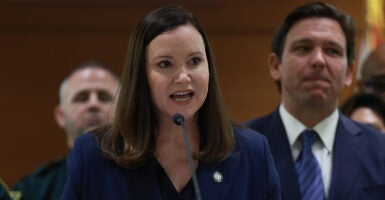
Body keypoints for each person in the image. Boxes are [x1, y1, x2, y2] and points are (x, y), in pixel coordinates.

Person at [61, 5, 281, 200]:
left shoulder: (253, 154)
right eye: (165, 64)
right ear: (141, 78)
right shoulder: (94, 155)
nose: (184, 77)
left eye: (195, 61)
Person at [244, 2, 385, 200]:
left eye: (332, 51)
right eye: (303, 48)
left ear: (349, 72)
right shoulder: (236, 149)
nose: (318, 60)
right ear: (276, 66)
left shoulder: (380, 150)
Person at [12, 62, 120, 200]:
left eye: (104, 97)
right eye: (82, 98)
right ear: (61, 116)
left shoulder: (146, 179)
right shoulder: (34, 190)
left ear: (123, 112)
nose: (93, 104)